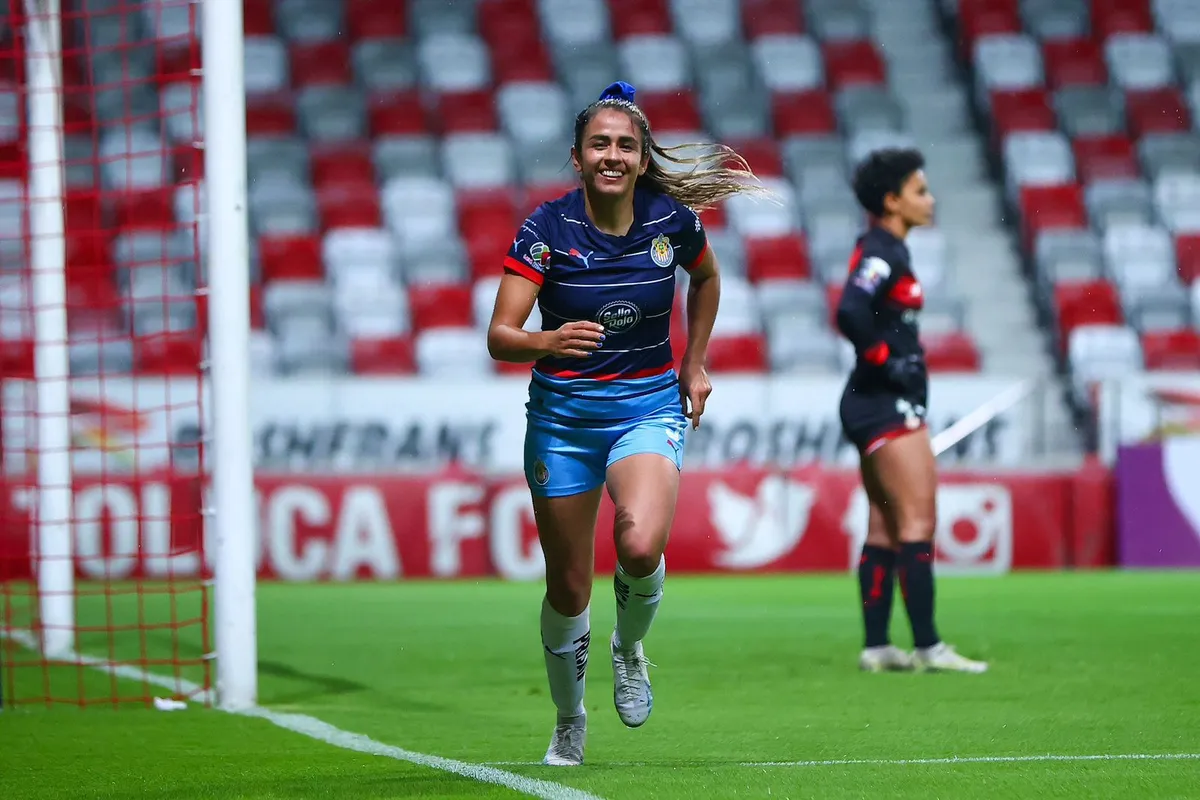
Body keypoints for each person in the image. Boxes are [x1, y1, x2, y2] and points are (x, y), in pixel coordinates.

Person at [486, 81, 766, 766]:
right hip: (564, 421)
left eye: (625, 146)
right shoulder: (546, 231)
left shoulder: (671, 221)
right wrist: (548, 340)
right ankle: (569, 719)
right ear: (578, 157)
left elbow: (707, 279)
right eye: (599, 144)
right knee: (568, 586)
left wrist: (693, 364)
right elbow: (500, 336)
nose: (612, 155)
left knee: (639, 547)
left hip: (646, 406)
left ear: (642, 159)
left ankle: (629, 647)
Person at [834, 148, 988, 675]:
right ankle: (928, 646)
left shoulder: (884, 248)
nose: (931, 199)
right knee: (918, 522)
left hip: (869, 403)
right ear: (892, 201)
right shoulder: (883, 251)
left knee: (883, 526)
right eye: (920, 190)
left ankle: (878, 647)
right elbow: (850, 308)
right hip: (886, 405)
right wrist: (885, 358)